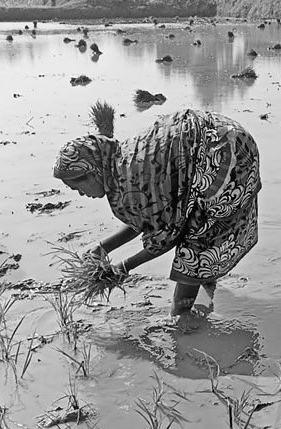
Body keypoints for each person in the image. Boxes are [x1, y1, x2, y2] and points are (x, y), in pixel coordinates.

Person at [53, 108, 261, 320]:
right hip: (227, 136)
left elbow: (164, 238)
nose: (80, 193)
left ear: (93, 172)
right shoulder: (121, 159)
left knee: (197, 241)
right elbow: (150, 217)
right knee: (195, 227)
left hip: (223, 159)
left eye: (78, 187)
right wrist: (102, 248)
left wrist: (123, 268)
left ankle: (184, 318)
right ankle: (207, 283)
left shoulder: (128, 180)